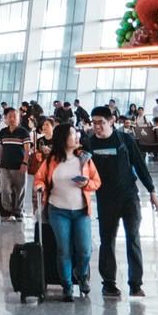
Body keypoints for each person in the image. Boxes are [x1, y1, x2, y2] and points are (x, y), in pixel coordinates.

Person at [84, 106, 158, 299]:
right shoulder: (89, 144)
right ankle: (109, 284)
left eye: (101, 122)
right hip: (105, 200)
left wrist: (151, 190)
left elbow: (139, 165)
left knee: (133, 238)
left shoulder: (125, 140)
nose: (97, 126)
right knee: (107, 241)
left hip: (129, 197)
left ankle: (136, 285)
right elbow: (82, 169)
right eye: (94, 122)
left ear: (111, 121)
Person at [33, 124, 101, 301]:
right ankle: (67, 285)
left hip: (81, 212)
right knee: (64, 250)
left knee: (85, 250)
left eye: (76, 133)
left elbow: (97, 182)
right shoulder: (51, 160)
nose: (77, 136)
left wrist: (86, 183)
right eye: (72, 134)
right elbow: (39, 178)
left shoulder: (84, 159)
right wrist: (40, 186)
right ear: (63, 138)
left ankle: (82, 274)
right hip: (58, 211)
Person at [0, 107, 31, 221]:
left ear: (19, 119)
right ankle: (8, 211)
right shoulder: (3, 132)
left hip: (19, 166)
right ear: (6, 118)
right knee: (5, 189)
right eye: (9, 116)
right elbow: (1, 148)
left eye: (15, 116)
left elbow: (27, 149)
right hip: (5, 166)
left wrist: (25, 163)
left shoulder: (23, 132)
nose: (12, 119)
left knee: (20, 190)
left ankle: (18, 212)